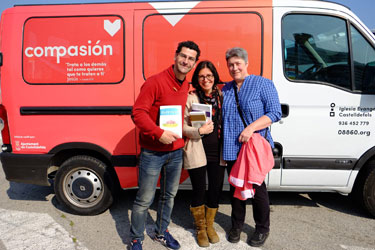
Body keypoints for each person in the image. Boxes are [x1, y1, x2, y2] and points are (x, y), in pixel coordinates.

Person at [130, 41, 200, 250]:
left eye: (190, 59)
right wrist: (158, 133)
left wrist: (203, 123)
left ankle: (161, 232)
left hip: (176, 152)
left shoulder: (187, 86)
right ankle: (136, 239)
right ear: (175, 56)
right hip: (152, 152)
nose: (186, 61)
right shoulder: (155, 82)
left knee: (169, 197)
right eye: (183, 56)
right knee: (144, 200)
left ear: (194, 63)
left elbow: (190, 113)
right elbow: (138, 113)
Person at [221, 47, 281, 247]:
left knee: (257, 189)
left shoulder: (263, 84)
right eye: (231, 64)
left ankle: (262, 228)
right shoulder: (226, 89)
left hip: (254, 148)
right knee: (235, 189)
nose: (234, 67)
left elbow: (275, 113)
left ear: (246, 63)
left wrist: (250, 128)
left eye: (238, 63)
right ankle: (236, 226)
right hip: (232, 148)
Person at [182, 60, 226, 247]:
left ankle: (209, 226)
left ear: (214, 76)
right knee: (198, 190)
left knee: (215, 189)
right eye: (201, 76)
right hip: (197, 149)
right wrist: (198, 132)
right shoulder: (191, 98)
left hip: (219, 151)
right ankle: (200, 228)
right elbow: (182, 126)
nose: (206, 79)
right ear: (197, 79)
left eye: (209, 75)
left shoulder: (223, 96)